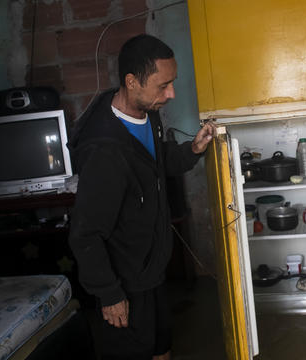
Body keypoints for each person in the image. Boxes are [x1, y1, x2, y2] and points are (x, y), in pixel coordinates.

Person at [67, 34, 215, 360]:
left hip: (151, 273)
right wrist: (109, 294)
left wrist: (193, 149)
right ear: (132, 82)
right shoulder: (104, 151)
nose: (172, 94)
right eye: (163, 85)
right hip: (124, 284)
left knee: (161, 350)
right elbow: (86, 234)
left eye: (172, 83)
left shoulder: (146, 113)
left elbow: (155, 161)